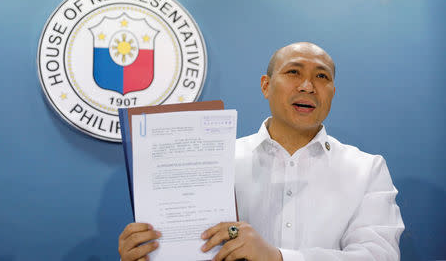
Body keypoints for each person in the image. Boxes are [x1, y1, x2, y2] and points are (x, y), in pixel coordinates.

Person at [118, 42, 404, 261]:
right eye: (294, 72)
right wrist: (150, 252)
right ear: (266, 86)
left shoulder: (367, 169)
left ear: (332, 92)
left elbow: (378, 256)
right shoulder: (216, 161)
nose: (308, 86)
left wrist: (278, 257)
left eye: (321, 77)